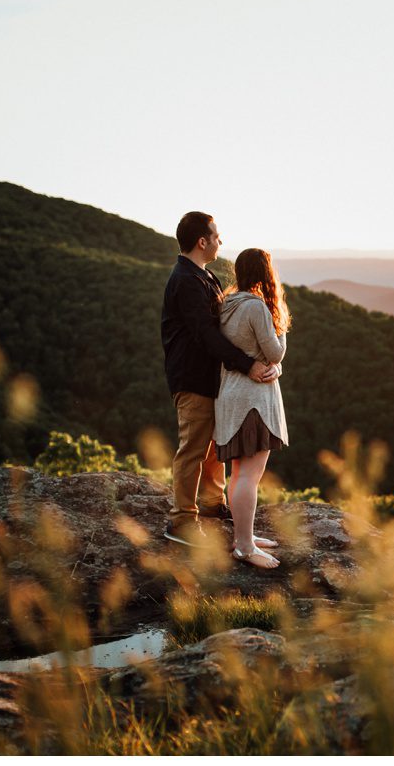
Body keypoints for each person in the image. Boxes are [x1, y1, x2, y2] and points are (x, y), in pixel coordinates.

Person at [160, 212, 280, 547]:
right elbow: (206, 335)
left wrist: (265, 362)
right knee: (193, 448)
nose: (220, 241)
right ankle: (182, 521)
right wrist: (249, 365)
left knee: (213, 445)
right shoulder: (186, 281)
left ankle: (212, 505)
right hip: (192, 377)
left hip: (214, 379)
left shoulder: (203, 276)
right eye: (216, 236)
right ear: (202, 241)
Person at [214, 248, 291, 568]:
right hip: (254, 401)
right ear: (266, 273)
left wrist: (276, 365)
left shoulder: (227, 304)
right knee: (250, 475)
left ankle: (243, 536)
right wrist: (282, 326)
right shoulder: (257, 306)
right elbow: (274, 352)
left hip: (231, 397)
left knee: (238, 475)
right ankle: (244, 547)